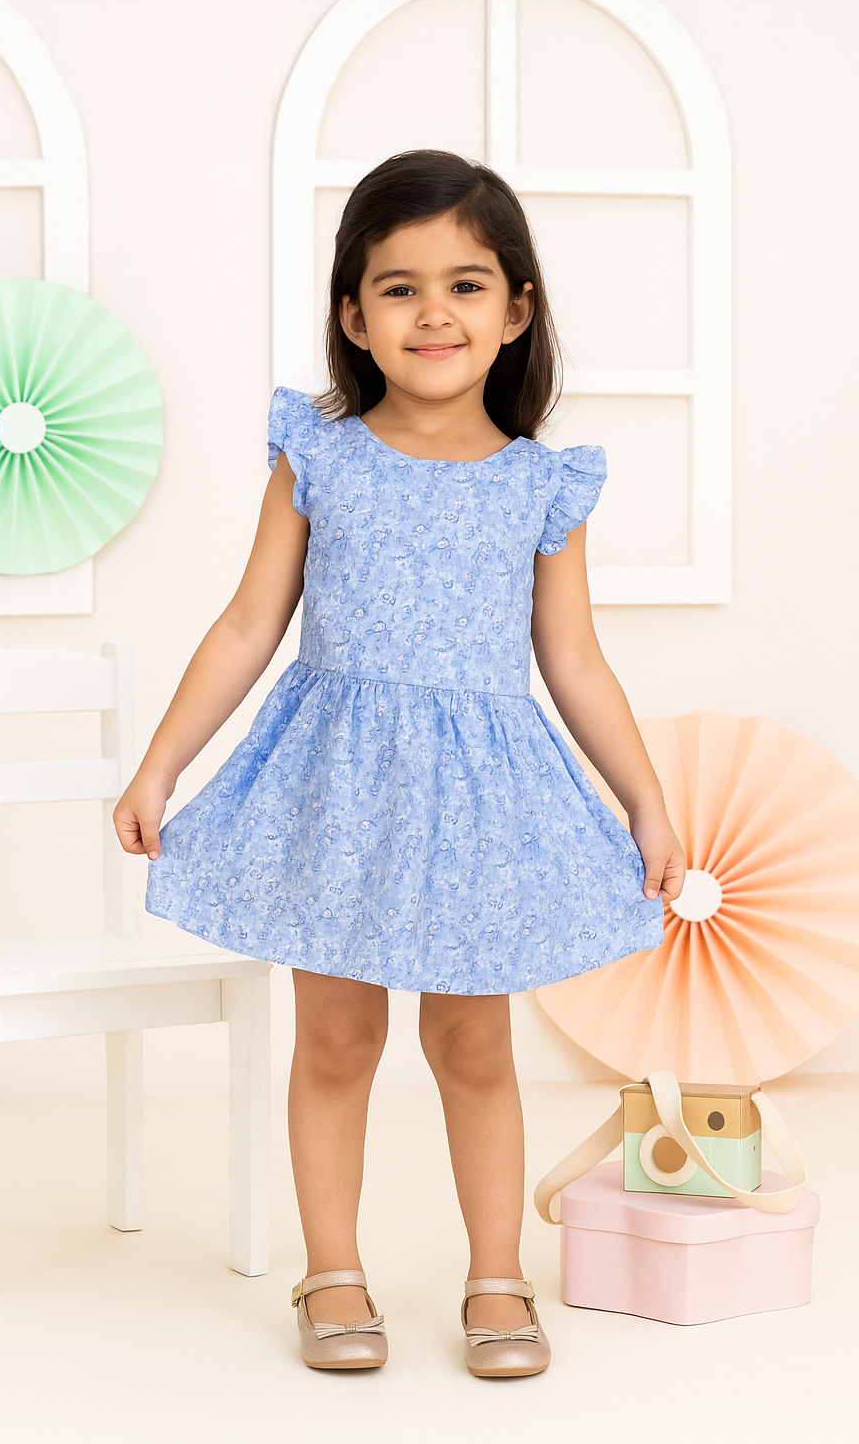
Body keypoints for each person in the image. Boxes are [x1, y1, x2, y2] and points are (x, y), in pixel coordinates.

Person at [114, 149, 686, 1378]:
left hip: (479, 801)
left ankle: (495, 1276)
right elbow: (246, 624)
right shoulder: (316, 458)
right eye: (399, 287)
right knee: (334, 1040)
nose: (434, 312)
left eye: (467, 284)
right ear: (353, 317)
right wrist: (161, 766)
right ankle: (333, 1273)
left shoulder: (542, 486)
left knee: (472, 1045)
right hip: (337, 788)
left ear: (516, 310)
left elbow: (575, 662)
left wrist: (643, 801)